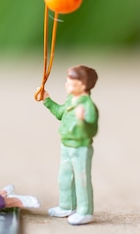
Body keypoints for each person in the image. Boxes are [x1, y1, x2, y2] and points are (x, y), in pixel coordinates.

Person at [40, 65, 98, 225]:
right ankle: (67, 206)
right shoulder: (70, 100)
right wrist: (47, 100)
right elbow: (60, 113)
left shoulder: (87, 106)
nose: (67, 85)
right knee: (64, 177)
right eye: (68, 82)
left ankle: (85, 211)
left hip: (80, 147)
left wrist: (82, 120)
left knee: (81, 179)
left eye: (71, 83)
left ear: (83, 85)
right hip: (66, 144)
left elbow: (92, 129)